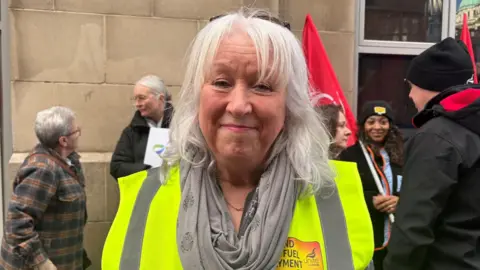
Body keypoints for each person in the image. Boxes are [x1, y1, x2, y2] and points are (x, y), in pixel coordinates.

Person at [102, 9, 374, 270]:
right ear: (197, 97)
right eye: (221, 82)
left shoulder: (334, 199)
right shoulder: (144, 200)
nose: (239, 106)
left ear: (291, 106)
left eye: (263, 86)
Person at [384, 37, 480, 270]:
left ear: (430, 84)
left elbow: (414, 225)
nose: (409, 95)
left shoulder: (436, 137)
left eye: (411, 85)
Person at [0, 106, 90, 270]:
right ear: (63, 141)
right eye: (76, 131)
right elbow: (16, 224)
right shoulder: (43, 169)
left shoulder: (68, 160)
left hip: (63, 257)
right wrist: (42, 263)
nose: (79, 134)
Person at [339, 100, 404, 270]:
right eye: (371, 121)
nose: (377, 127)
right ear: (363, 126)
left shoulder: (402, 155)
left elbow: (415, 187)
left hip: (397, 240)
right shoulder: (348, 156)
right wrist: (370, 201)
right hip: (366, 239)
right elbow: (342, 194)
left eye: (383, 122)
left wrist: (399, 201)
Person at [110, 75, 174, 179]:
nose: (137, 104)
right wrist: (147, 169)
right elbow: (117, 167)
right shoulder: (132, 131)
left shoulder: (180, 127)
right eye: (135, 99)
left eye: (141, 98)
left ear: (161, 99)